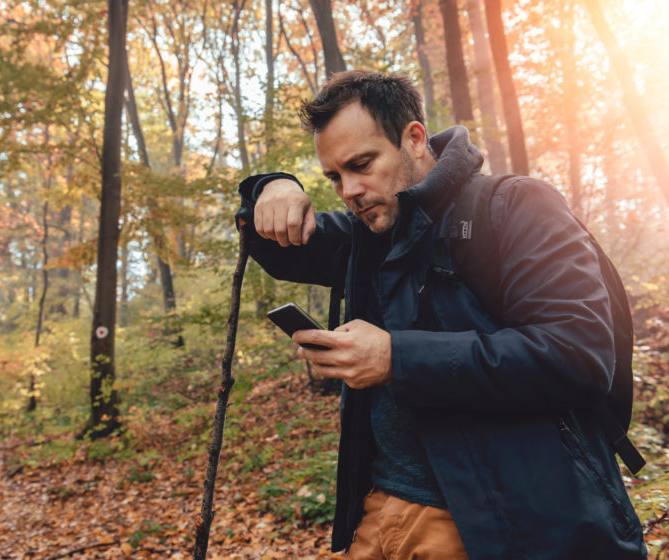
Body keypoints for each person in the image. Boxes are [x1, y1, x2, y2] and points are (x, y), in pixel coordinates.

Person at [235, 70, 646, 560]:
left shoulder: (515, 206)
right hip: (377, 519)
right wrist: (271, 187)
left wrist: (396, 359)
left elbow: (579, 355)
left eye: (362, 164)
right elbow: (281, 247)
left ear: (413, 138)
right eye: (334, 177)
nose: (349, 190)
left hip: (493, 526)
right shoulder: (368, 234)